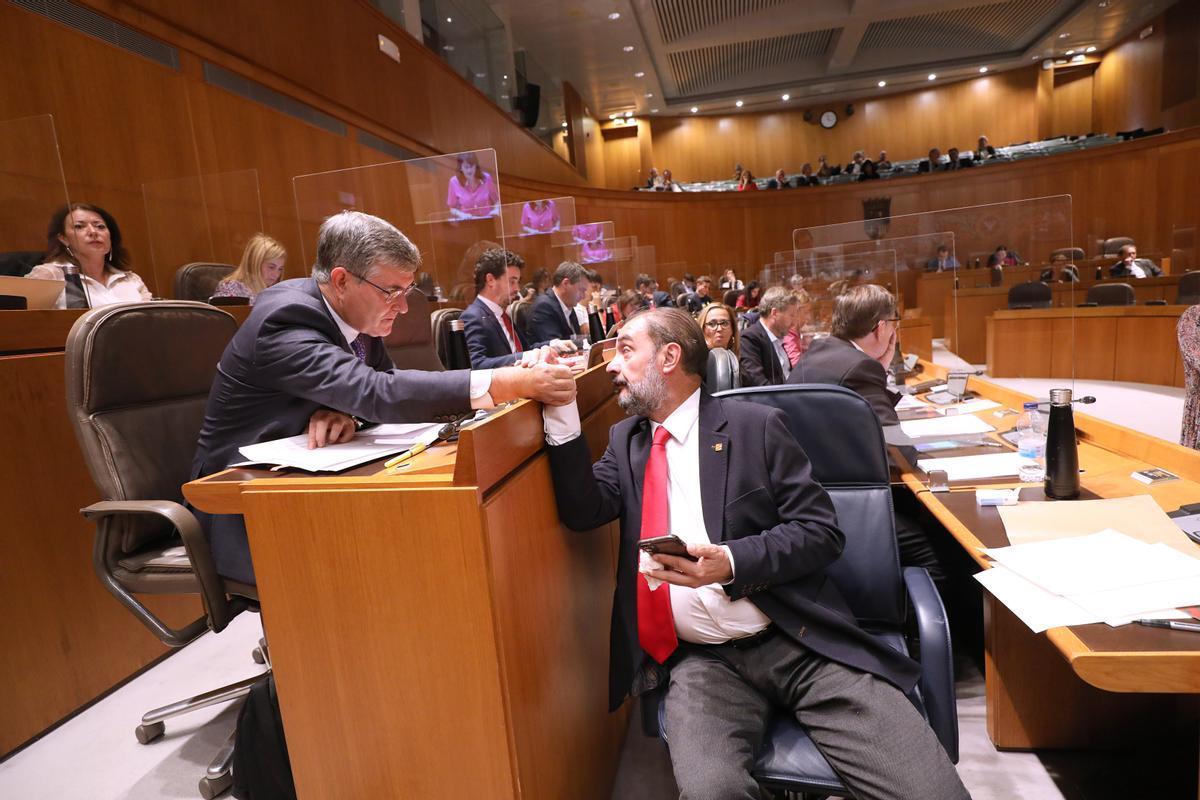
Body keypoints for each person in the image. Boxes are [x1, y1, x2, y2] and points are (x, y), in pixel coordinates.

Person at [539, 309, 968, 800]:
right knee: (710, 793)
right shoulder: (628, 441)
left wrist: (733, 562)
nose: (612, 365)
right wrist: (561, 408)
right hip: (703, 665)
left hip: (798, 642)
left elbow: (820, 532)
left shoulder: (755, 427)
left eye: (626, 349)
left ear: (669, 358)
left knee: (931, 792)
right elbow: (583, 508)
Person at [190, 211, 576, 585]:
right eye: (392, 291)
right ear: (341, 280)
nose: (404, 307)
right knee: (392, 554)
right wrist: (505, 382)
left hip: (312, 479)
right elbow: (374, 391)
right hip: (239, 498)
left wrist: (349, 415)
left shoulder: (354, 314)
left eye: (407, 291)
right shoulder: (285, 318)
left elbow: (372, 388)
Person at [788, 285, 947, 583]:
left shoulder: (819, 353)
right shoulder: (858, 367)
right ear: (881, 327)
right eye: (893, 326)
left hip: (806, 500)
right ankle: (923, 627)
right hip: (841, 512)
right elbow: (900, 455)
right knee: (937, 553)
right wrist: (880, 370)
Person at [29, 203, 152, 308]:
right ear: (64, 239)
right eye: (79, 226)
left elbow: (153, 321)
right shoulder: (49, 275)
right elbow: (29, 324)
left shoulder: (130, 279)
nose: (93, 232)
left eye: (100, 226)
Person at [460, 248, 563, 369]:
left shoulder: (503, 315)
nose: (517, 288)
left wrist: (553, 344)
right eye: (512, 282)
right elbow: (476, 364)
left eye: (518, 282)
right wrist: (524, 356)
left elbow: (526, 349)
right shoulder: (473, 316)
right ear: (490, 280)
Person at [738, 287, 799, 386]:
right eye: (791, 315)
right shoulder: (749, 339)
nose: (794, 322)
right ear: (774, 313)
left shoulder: (778, 337)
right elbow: (759, 384)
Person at [211, 233, 286, 304]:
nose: (276, 275)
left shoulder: (276, 291)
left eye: (280, 269)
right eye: (271, 267)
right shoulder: (230, 287)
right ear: (254, 263)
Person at [529, 260, 588, 342]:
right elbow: (557, 347)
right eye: (581, 290)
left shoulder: (568, 305)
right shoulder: (543, 306)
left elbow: (576, 339)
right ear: (566, 283)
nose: (583, 296)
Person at [445, 152, 500, 220]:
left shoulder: (486, 178)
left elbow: (497, 201)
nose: (469, 170)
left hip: (486, 221)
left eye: (472, 166)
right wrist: (462, 215)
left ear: (476, 166)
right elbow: (452, 208)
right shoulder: (454, 182)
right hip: (466, 223)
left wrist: (496, 210)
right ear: (461, 168)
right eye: (466, 167)